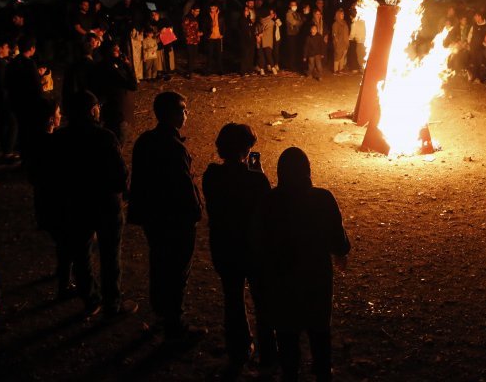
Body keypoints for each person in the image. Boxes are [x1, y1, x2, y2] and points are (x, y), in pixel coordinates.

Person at [261, 147, 350, 382]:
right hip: (316, 277)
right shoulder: (322, 198)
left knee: (286, 330)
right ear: (307, 171)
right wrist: (342, 252)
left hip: (283, 277)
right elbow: (337, 239)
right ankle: (322, 371)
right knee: (319, 328)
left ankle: (290, 372)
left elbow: (262, 239)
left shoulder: (270, 201)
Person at [128, 92, 206, 342]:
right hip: (175, 221)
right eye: (183, 110)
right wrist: (196, 211)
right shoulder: (173, 147)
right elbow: (184, 185)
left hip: (153, 218)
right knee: (177, 271)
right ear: (172, 115)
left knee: (160, 263)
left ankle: (162, 312)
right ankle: (175, 324)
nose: (187, 114)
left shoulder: (145, 141)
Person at [51, 91, 136, 319]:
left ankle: (90, 298)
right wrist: (123, 191)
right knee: (110, 255)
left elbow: (55, 175)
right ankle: (112, 302)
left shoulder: (60, 138)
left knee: (81, 253)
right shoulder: (105, 137)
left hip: (75, 204)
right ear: (92, 110)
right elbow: (120, 173)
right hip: (106, 204)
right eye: (97, 106)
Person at [203, 124, 276, 375]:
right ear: (247, 149)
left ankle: (239, 349)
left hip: (225, 246)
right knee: (262, 299)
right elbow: (268, 209)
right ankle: (269, 352)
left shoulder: (211, 175)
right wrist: (257, 172)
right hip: (253, 248)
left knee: (233, 298)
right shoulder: (255, 179)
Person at [27, 98, 74, 298]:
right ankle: (64, 284)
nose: (60, 116)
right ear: (50, 119)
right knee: (67, 242)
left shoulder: (33, 141)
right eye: (58, 113)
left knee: (61, 240)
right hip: (58, 200)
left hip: (44, 198)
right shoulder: (53, 144)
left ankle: (62, 274)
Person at [89, 41, 138, 147]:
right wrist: (128, 66)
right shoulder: (111, 69)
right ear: (109, 53)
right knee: (117, 142)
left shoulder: (101, 66)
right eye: (116, 50)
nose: (120, 53)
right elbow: (133, 85)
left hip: (109, 110)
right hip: (117, 111)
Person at [0, 39, 17, 159]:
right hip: (5, 98)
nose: (8, 49)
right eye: (5, 46)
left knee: (4, 123)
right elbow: (4, 83)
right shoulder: (0, 64)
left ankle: (6, 149)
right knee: (13, 123)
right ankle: (8, 152)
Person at [182, 4, 203, 78]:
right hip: (189, 41)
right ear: (192, 11)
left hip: (195, 40)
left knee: (194, 56)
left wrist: (198, 33)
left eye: (199, 11)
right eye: (196, 11)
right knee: (190, 56)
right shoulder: (187, 18)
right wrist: (196, 34)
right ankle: (189, 72)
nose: (198, 12)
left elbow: (195, 28)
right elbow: (186, 30)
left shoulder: (195, 18)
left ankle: (190, 70)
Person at [204, 3, 226, 75]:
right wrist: (207, 34)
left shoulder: (220, 15)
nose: (212, 8)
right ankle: (208, 70)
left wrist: (222, 34)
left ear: (216, 7)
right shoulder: (207, 15)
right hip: (210, 37)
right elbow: (205, 26)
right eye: (211, 7)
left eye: (213, 7)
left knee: (219, 55)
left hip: (218, 37)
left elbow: (223, 25)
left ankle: (220, 70)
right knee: (209, 55)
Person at [285, 0, 303, 72]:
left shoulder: (296, 13)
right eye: (292, 5)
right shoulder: (289, 14)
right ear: (289, 6)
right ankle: (291, 66)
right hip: (291, 34)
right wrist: (300, 22)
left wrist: (299, 22)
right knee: (292, 51)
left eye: (295, 5)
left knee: (296, 50)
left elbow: (300, 21)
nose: (294, 6)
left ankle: (295, 65)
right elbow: (295, 22)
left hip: (296, 34)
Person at [331, 9, 350, 75]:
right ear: (338, 15)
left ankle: (341, 69)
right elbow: (334, 34)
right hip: (339, 43)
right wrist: (336, 41)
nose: (343, 15)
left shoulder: (344, 23)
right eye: (341, 14)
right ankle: (335, 70)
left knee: (343, 56)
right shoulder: (335, 24)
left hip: (345, 42)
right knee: (337, 56)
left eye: (343, 14)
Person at [349, 7, 367, 73]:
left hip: (359, 43)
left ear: (351, 16)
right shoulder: (363, 21)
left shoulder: (354, 23)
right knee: (364, 57)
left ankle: (363, 72)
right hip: (366, 43)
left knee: (360, 58)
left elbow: (352, 35)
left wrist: (349, 38)